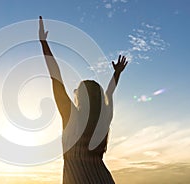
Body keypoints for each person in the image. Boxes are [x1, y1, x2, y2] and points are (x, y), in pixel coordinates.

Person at [38, 16, 128, 184]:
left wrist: (43, 43)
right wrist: (116, 74)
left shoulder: (71, 117)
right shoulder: (103, 121)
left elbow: (55, 78)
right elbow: (108, 95)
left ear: (80, 98)